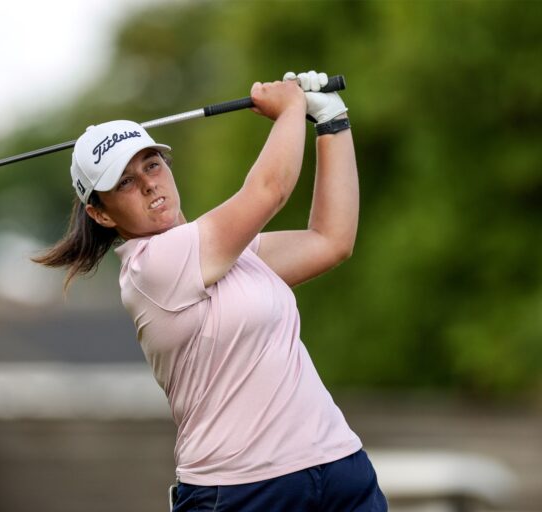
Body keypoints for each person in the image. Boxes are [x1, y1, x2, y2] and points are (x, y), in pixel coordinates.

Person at [34, 70, 387, 511]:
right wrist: (290, 108)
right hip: (241, 490)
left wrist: (333, 122)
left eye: (151, 164)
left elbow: (331, 240)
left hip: (337, 465)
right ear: (101, 214)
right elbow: (269, 190)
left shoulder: (233, 252)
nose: (148, 184)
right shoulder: (153, 266)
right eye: (123, 182)